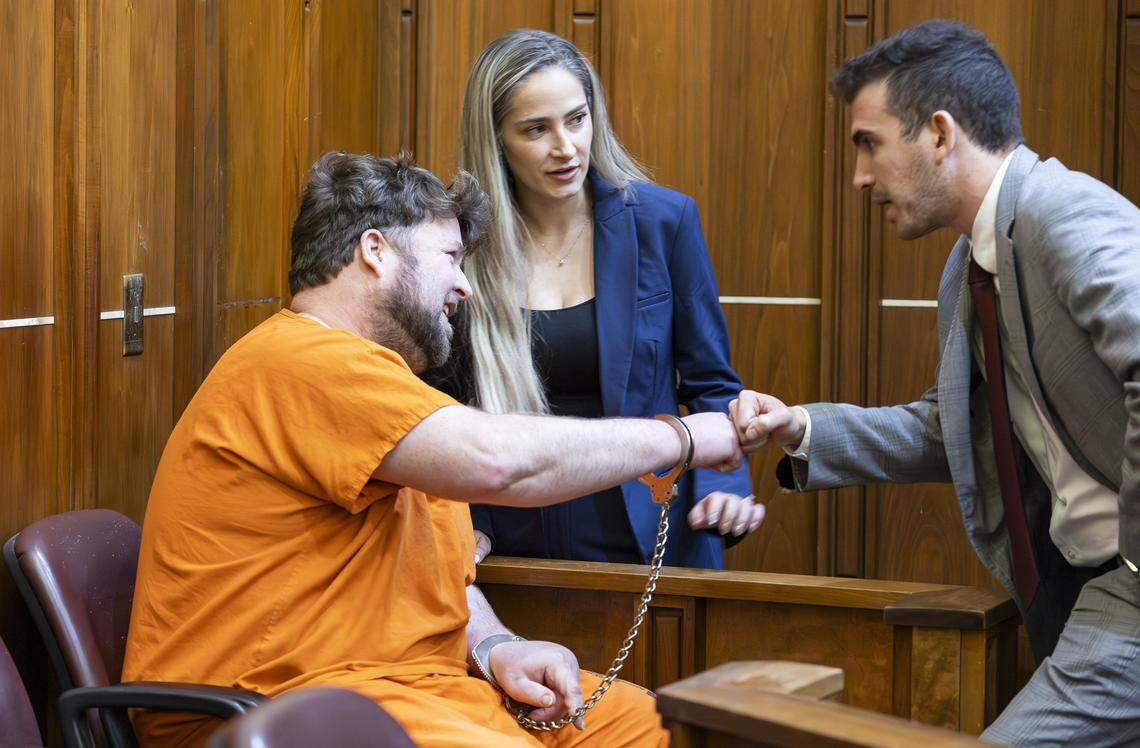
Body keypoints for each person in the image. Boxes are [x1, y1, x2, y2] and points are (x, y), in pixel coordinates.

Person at [123, 152, 745, 747]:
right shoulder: (300, 359)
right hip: (288, 704)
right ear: (375, 251)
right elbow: (499, 462)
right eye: (450, 257)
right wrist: (683, 436)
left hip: (415, 689)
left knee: (656, 728)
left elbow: (426, 569)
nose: (464, 286)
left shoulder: (385, 387)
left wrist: (496, 647)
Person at [730, 19, 1139, 746]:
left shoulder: (1058, 211)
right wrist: (803, 427)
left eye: (869, 143)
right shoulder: (967, 269)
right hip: (1075, 591)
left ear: (941, 133)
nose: (859, 176)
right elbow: (947, 427)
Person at [424, 29, 762, 568]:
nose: (566, 147)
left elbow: (710, 383)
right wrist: (472, 523)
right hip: (507, 539)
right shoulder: (458, 246)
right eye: (537, 129)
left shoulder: (662, 222)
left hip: (651, 531)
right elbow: (436, 405)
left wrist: (726, 487)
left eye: (576, 119)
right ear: (496, 140)